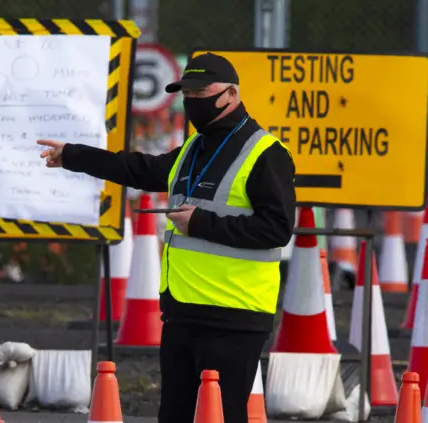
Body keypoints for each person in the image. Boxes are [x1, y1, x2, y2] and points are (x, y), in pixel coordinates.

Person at [38, 53, 296, 423]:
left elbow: (276, 229)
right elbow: (141, 169)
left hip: (234, 315)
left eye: (200, 91)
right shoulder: (195, 149)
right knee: (173, 415)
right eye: (186, 93)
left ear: (232, 94)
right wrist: (74, 156)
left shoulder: (266, 153)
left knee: (221, 416)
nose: (192, 100)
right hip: (182, 311)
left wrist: (202, 223)